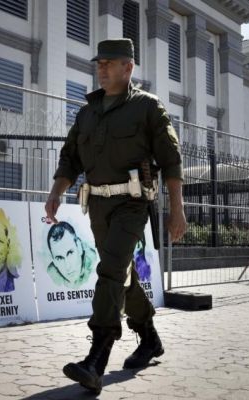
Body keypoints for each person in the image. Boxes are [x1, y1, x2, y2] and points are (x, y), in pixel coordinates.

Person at [45, 38, 187, 394]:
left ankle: (97, 356)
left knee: (110, 270)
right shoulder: (87, 112)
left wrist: (177, 209)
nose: (102, 68)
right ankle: (150, 337)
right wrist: (55, 192)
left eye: (110, 62)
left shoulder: (147, 107)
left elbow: (171, 160)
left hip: (132, 204)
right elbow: (70, 157)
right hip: (98, 206)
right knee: (121, 274)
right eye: (99, 63)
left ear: (129, 68)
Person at [46, 221, 97, 289]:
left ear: (79, 247)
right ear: (54, 261)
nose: (68, 266)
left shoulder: (96, 263)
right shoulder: (50, 275)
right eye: (59, 258)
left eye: (70, 253)